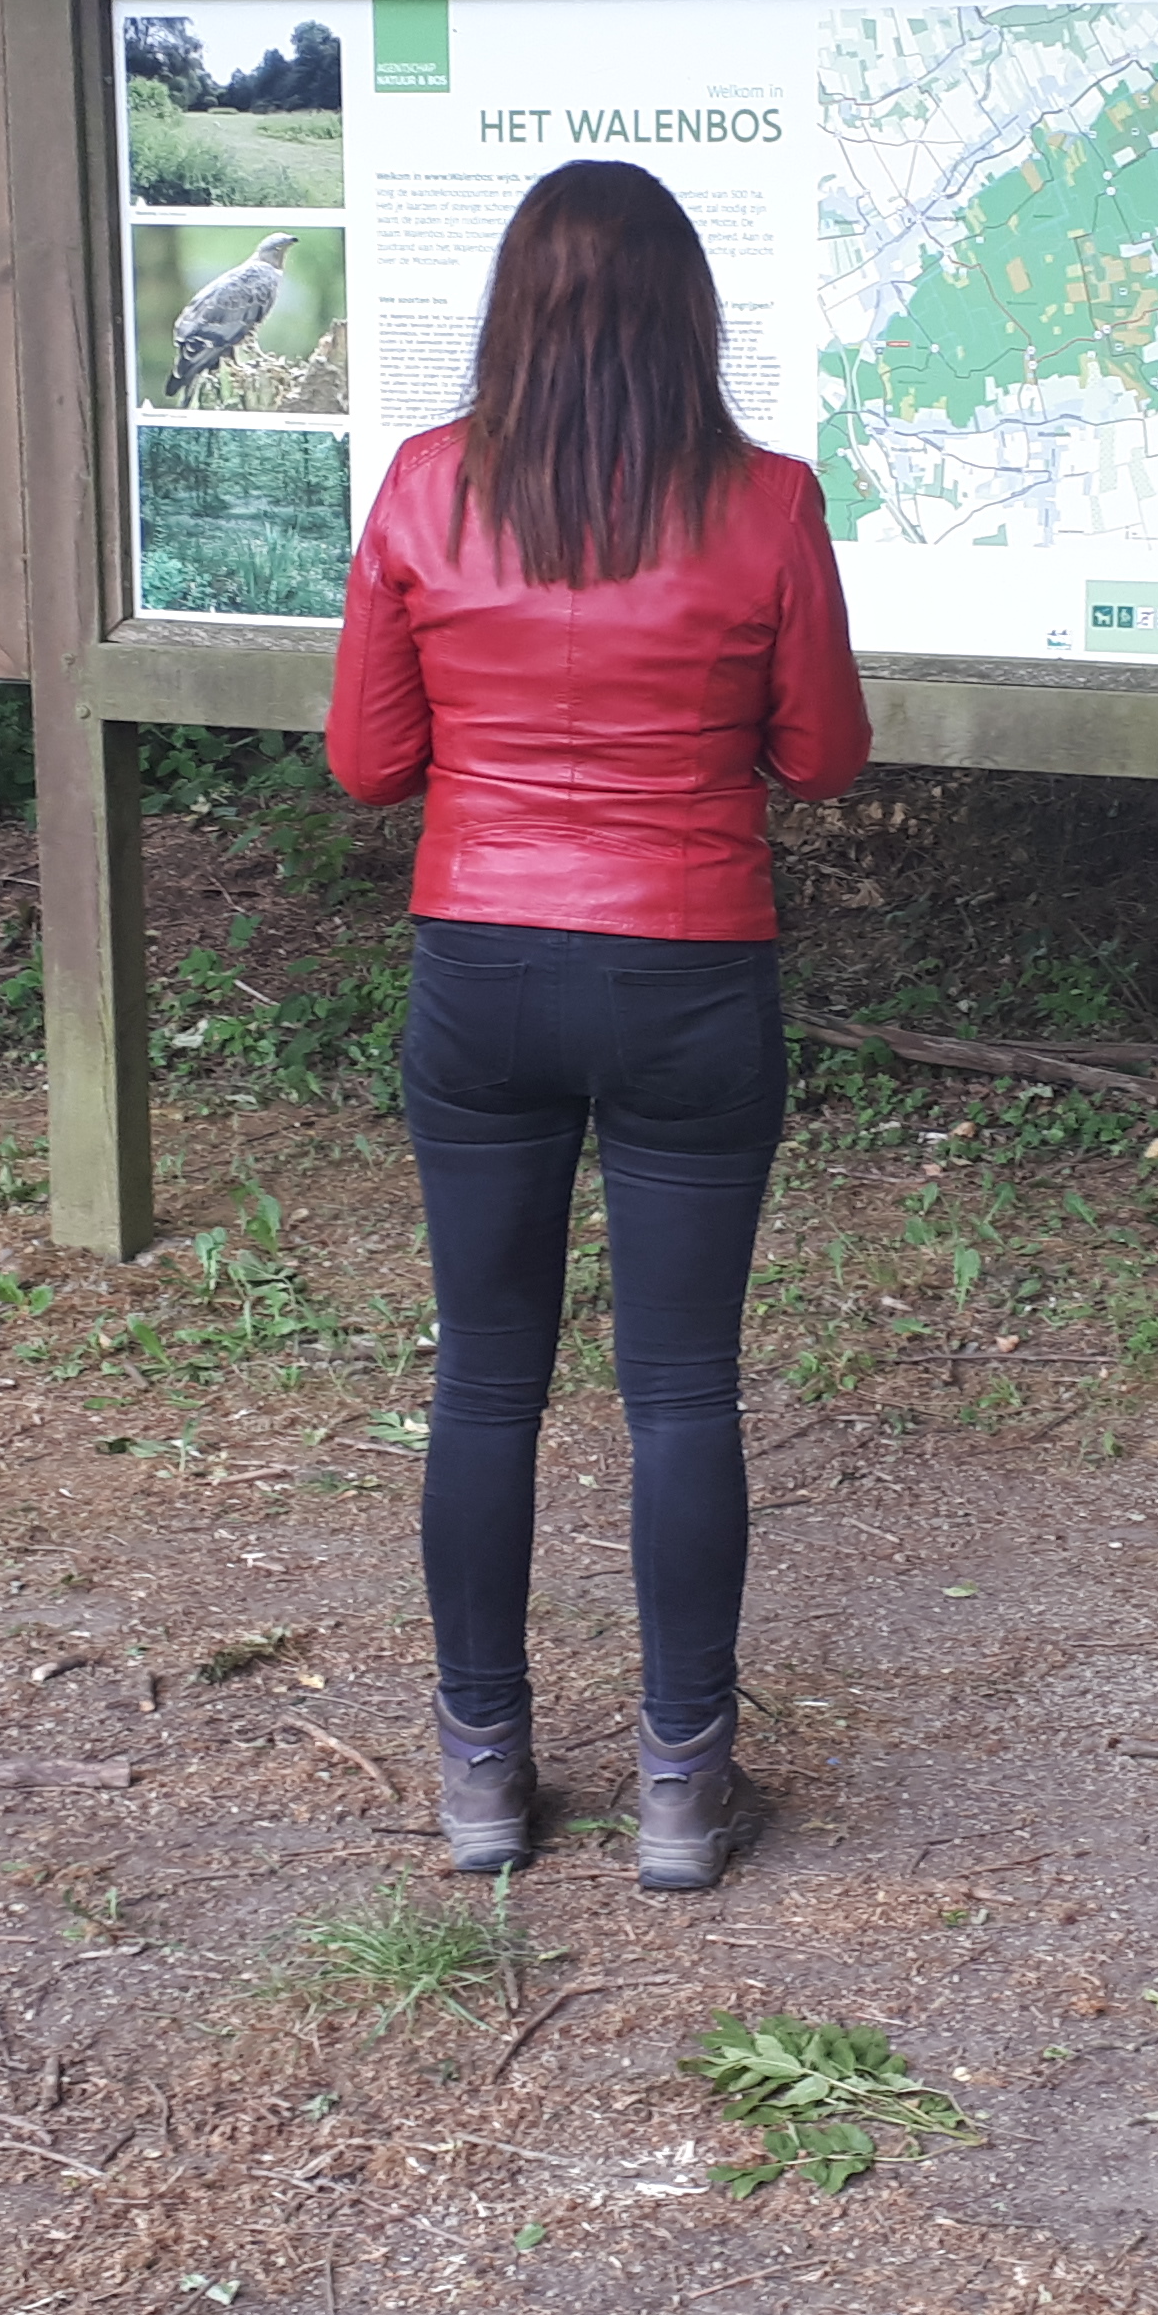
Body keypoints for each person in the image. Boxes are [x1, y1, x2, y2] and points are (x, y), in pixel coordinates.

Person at [325, 161, 871, 1893]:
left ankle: (484, 1775)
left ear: (512, 309)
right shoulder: (767, 501)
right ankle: (680, 1789)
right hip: (691, 969)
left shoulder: (425, 488)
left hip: (480, 966)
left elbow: (367, 764)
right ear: (685, 314)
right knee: (680, 1388)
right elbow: (824, 755)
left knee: (485, 1379)